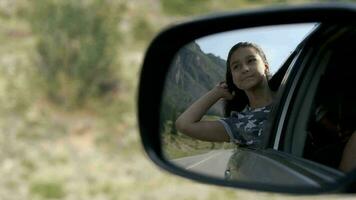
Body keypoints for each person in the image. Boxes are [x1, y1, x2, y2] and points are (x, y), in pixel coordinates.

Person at [175, 42, 274, 148]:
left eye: (251, 61)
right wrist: (217, 92)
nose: (245, 69)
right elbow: (184, 125)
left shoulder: (290, 100)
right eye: (236, 67)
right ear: (233, 78)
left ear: (266, 66)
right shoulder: (239, 124)